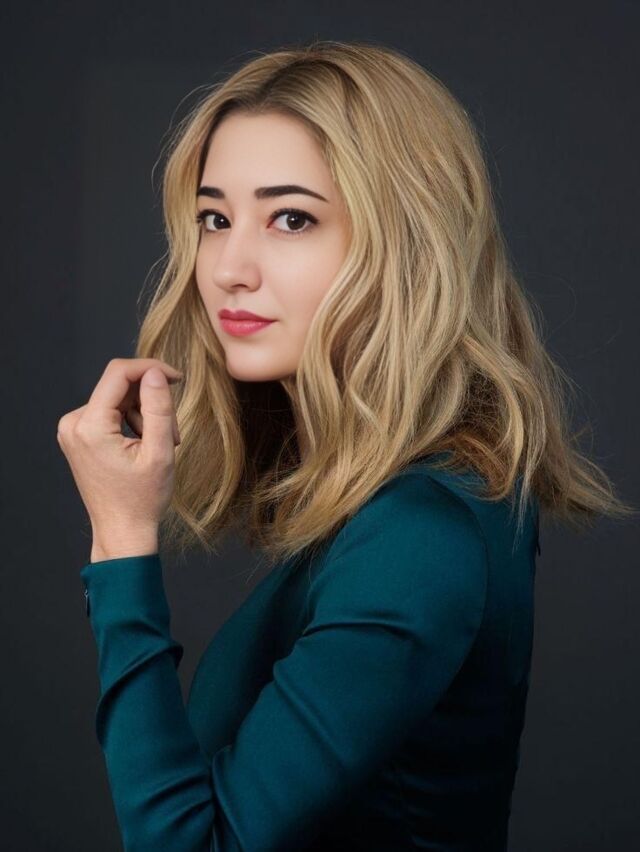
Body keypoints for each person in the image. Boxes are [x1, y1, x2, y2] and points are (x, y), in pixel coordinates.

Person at [57, 39, 636, 851]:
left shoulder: (420, 536)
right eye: (215, 218)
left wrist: (122, 543)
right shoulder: (406, 504)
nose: (228, 268)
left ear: (406, 242)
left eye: (291, 218)